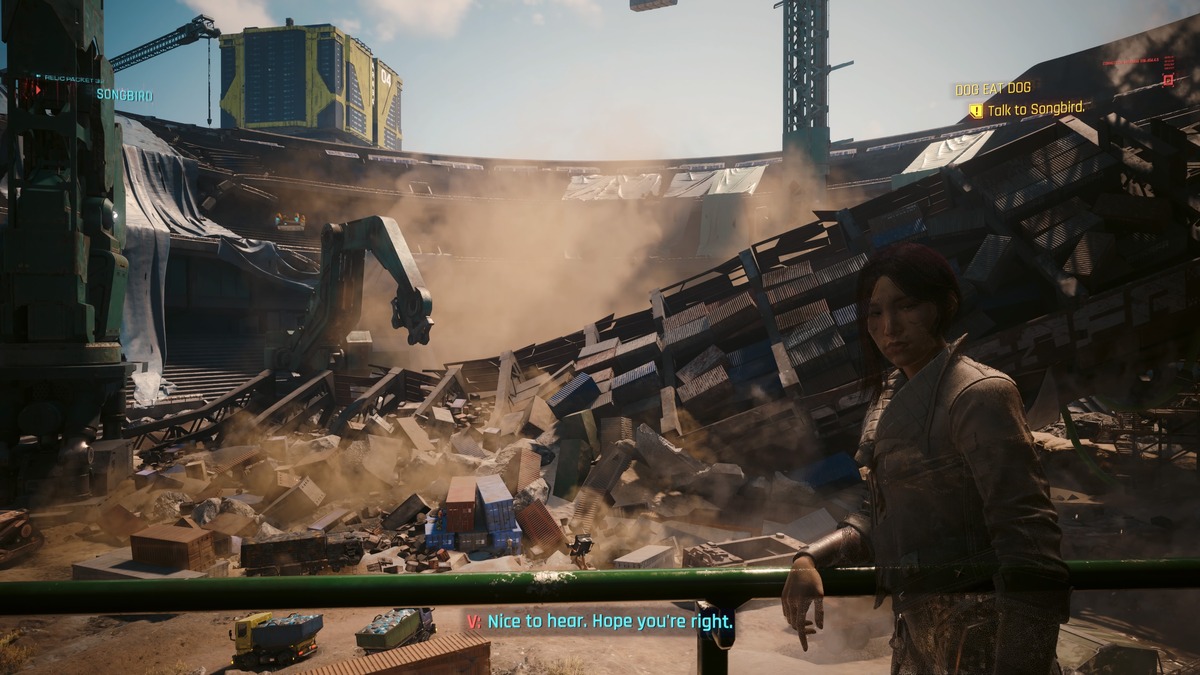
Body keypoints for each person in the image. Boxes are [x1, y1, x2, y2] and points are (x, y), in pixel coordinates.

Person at [781, 242, 1070, 674]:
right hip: (918, 634)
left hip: (983, 639)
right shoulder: (889, 397)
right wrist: (810, 557)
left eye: (907, 306)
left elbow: (1030, 544)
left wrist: (1018, 666)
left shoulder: (979, 394)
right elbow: (881, 511)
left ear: (943, 306)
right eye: (875, 312)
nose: (889, 327)